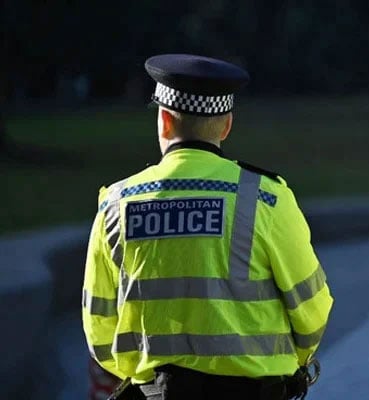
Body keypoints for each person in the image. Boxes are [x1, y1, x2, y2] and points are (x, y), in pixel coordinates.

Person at [81, 54, 333, 400]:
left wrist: (143, 376)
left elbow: (99, 325)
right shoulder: (267, 198)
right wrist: (292, 362)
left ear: (164, 121)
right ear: (227, 125)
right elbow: (312, 307)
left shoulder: (115, 204)